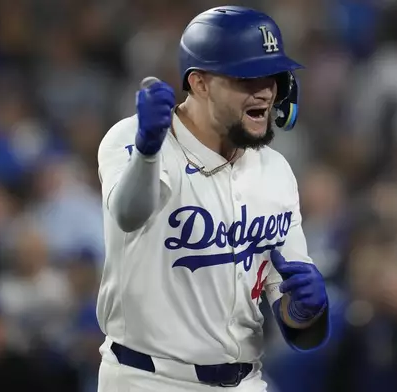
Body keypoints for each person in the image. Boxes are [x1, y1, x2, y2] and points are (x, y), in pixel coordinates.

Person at [95, 6, 330, 392]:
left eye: (271, 76)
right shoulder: (134, 138)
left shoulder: (274, 171)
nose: (265, 91)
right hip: (148, 380)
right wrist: (148, 153)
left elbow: (293, 319)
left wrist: (306, 310)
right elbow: (127, 213)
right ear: (200, 83)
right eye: (246, 77)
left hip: (246, 380)